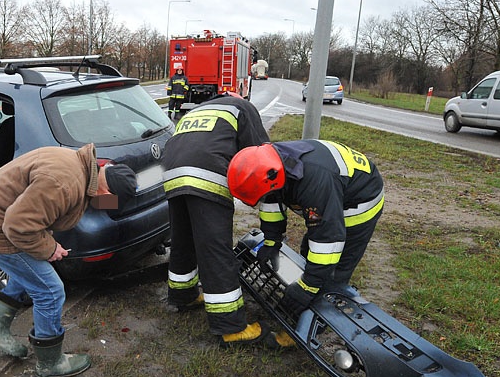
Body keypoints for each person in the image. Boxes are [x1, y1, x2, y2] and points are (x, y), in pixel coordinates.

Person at [0, 144, 137, 377]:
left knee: (27, 275)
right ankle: (50, 362)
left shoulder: (83, 167)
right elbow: (17, 226)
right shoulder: (64, 184)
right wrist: (49, 249)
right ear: (107, 193)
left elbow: (44, 208)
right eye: (109, 203)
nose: (105, 208)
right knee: (50, 290)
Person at [227, 140, 385, 324]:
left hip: (359, 204)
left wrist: (308, 286)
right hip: (334, 189)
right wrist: (271, 242)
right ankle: (310, 292)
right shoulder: (271, 165)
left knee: (333, 270)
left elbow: (328, 239)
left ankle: (318, 317)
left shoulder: (316, 182)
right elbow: (271, 202)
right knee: (310, 252)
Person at [161, 93, 270, 346]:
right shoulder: (243, 108)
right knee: (215, 249)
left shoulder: (199, 110)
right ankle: (230, 326)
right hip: (206, 174)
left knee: (183, 238)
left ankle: (183, 295)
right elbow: (260, 155)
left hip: (171, 172)